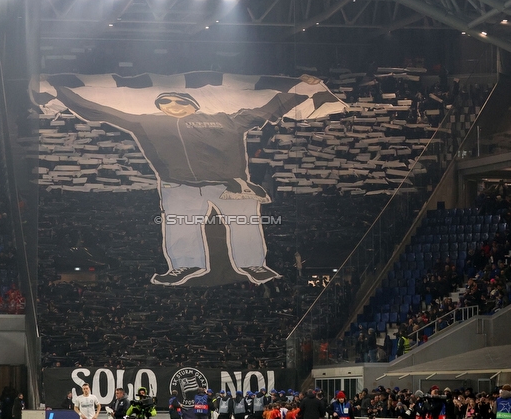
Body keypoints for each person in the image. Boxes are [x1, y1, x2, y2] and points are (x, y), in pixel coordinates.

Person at [40, 74, 343, 286]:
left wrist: (299, 90)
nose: (171, 105)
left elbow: (267, 109)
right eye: (164, 102)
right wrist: (62, 94)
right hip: (179, 186)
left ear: (193, 104)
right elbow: (100, 110)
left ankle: (255, 265)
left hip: (231, 185)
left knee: (245, 225)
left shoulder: (227, 119)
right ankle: (184, 265)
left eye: (177, 100)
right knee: (180, 226)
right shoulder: (147, 123)